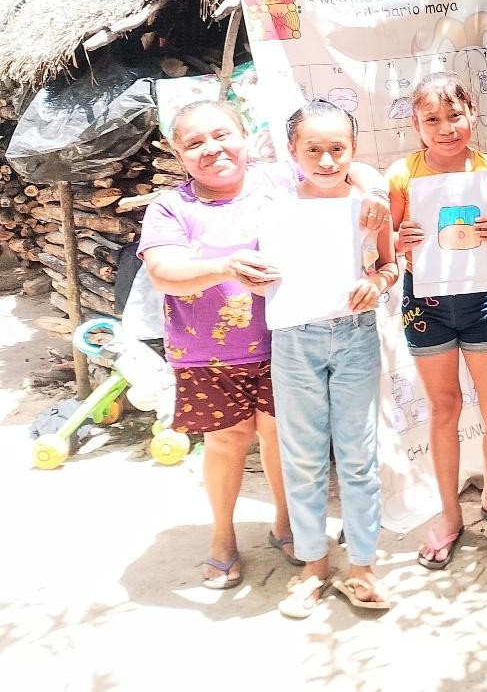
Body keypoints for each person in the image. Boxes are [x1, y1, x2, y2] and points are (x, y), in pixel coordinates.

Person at [139, 100, 389, 590]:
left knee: (284, 442)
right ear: (178, 152)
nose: (212, 149)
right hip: (209, 350)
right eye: (195, 143)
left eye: (222, 135)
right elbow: (163, 272)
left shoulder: (278, 179)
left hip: (288, 341)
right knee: (226, 441)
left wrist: (376, 191)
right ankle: (222, 537)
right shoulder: (172, 207)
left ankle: (287, 525)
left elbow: (350, 166)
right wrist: (225, 267)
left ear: (245, 136)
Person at [388, 72, 487, 572]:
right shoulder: (401, 175)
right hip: (425, 305)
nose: (446, 128)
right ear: (416, 125)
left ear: (473, 115)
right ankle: (450, 513)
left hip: (482, 303)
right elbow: (386, 245)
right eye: (432, 119)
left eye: (455, 116)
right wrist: (399, 241)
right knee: (444, 408)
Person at [270, 100, 400, 618]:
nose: (326, 160)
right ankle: (313, 564)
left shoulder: (369, 207)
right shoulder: (274, 204)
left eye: (337, 149)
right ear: (292, 150)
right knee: (302, 456)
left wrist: (377, 283)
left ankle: (362, 567)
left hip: (355, 336)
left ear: (354, 148)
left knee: (358, 455)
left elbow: (390, 265)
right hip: (294, 340)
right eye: (313, 149)